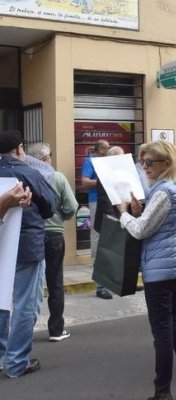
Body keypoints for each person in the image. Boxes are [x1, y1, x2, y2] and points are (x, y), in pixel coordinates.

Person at [116, 141, 176, 400]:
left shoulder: (164, 192)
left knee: (163, 334)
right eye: (142, 163)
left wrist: (124, 214)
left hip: (161, 272)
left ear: (166, 163)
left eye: (149, 163)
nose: (145, 168)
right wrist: (140, 211)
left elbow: (142, 230)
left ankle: (162, 391)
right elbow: (159, 224)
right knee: (173, 327)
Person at [0, 130, 56, 378]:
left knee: (1, 302)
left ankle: (3, 357)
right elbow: (50, 205)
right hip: (27, 245)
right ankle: (16, 361)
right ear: (20, 149)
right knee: (25, 304)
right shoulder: (27, 172)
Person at [28, 142, 79, 342]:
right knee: (55, 281)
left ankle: (24, 330)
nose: (51, 158)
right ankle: (56, 329)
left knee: (30, 283)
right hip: (54, 234)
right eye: (50, 155)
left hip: (30, 234)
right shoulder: (57, 177)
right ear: (44, 158)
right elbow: (72, 206)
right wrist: (61, 218)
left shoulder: (24, 176)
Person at [81, 139, 113, 299]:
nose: (108, 150)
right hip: (96, 201)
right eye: (107, 148)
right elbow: (85, 181)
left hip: (111, 200)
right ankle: (100, 280)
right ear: (101, 149)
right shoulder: (89, 161)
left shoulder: (107, 162)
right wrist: (101, 182)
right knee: (98, 235)